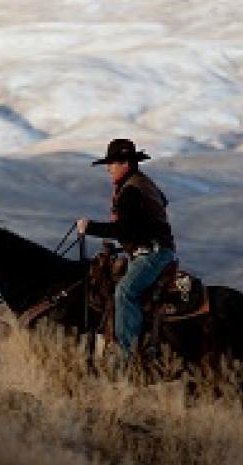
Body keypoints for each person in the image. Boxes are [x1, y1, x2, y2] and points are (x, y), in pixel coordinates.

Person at [77, 138, 177, 360]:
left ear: (125, 163)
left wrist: (89, 227)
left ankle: (125, 357)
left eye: (111, 163)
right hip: (154, 249)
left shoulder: (131, 191)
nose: (108, 169)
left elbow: (125, 230)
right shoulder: (141, 183)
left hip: (152, 253)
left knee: (124, 292)